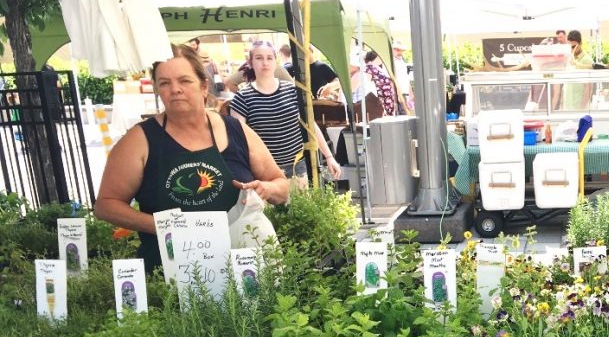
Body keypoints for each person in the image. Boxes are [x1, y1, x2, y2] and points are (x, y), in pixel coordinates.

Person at [94, 44, 291, 272]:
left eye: (184, 81)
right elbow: (106, 206)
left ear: (204, 86)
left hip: (244, 271)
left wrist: (266, 188)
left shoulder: (236, 130)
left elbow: (282, 187)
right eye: (165, 83)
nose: (175, 89)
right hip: (172, 277)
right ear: (157, 90)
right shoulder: (139, 140)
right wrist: (165, 227)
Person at [230, 40, 342, 186]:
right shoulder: (242, 98)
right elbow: (238, 141)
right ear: (250, 62)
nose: (265, 62)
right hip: (264, 172)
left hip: (296, 168)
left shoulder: (293, 90)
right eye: (259, 58)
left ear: (275, 62)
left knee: (300, 208)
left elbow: (310, 124)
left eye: (269, 58)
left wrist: (329, 156)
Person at [364, 50, 398, 116]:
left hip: (387, 103)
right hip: (379, 103)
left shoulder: (379, 68)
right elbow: (368, 86)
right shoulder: (369, 68)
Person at [392, 41, 414, 114]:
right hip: (399, 94)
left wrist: (411, 93)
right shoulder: (392, 62)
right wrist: (397, 96)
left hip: (404, 93)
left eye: (401, 50)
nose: (400, 52)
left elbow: (405, 78)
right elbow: (393, 80)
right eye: (397, 50)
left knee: (407, 114)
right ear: (392, 50)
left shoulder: (401, 61)